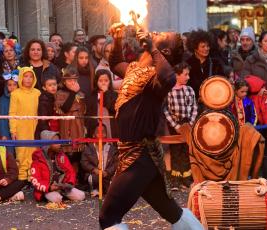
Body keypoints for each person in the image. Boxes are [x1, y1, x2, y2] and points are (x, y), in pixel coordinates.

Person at [99, 25, 203, 230]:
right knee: (170, 210)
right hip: (139, 156)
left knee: (108, 217)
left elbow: (168, 77)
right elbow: (115, 63)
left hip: (138, 158)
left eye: (160, 35)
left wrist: (152, 46)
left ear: (163, 51)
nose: (154, 32)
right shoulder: (136, 69)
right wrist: (118, 39)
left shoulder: (158, 77)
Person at [163, 62, 197, 190]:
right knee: (176, 151)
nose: (188, 77)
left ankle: (186, 178)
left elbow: (194, 107)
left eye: (188, 74)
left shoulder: (190, 90)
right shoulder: (169, 91)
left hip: (188, 124)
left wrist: (191, 123)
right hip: (175, 125)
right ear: (177, 75)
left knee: (186, 151)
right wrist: (175, 125)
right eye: (185, 74)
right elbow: (165, 109)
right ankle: (175, 179)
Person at [30, 130, 85, 203]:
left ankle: (61, 195)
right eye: (56, 142)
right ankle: (56, 196)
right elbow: (35, 180)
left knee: (81, 196)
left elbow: (70, 171)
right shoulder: (38, 159)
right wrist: (49, 188)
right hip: (47, 189)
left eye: (59, 141)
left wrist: (69, 183)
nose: (60, 144)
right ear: (47, 144)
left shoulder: (61, 155)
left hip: (62, 187)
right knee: (57, 199)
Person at [9, 66, 41, 181]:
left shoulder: (37, 93)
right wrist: (13, 130)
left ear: (34, 79)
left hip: (33, 127)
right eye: (25, 76)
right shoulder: (15, 94)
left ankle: (32, 178)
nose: (28, 79)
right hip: (21, 128)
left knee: (33, 152)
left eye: (31, 77)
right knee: (21, 152)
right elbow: (12, 113)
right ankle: (22, 178)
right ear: (21, 78)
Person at [55, 65, 86, 182]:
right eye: (69, 80)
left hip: (78, 126)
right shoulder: (60, 93)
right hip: (67, 126)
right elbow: (64, 108)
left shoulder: (80, 93)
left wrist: (77, 93)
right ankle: (68, 178)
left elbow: (83, 109)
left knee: (79, 154)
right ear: (64, 81)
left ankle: (78, 179)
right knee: (68, 153)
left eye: (74, 80)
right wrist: (73, 93)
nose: (72, 83)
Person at [186, 29, 224, 101]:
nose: (206, 49)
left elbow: (222, 82)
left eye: (208, 46)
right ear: (195, 48)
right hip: (194, 103)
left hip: (213, 101)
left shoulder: (216, 63)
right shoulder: (188, 64)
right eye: (203, 46)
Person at [81, 124, 117, 196]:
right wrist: (94, 170)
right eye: (98, 132)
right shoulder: (88, 148)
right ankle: (95, 189)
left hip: (108, 175)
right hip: (95, 174)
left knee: (114, 181)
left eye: (103, 132)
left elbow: (116, 163)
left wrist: (107, 172)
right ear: (93, 135)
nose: (101, 134)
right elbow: (84, 162)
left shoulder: (112, 149)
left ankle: (106, 189)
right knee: (93, 178)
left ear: (106, 134)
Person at [0, 128, 25, 206]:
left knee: (21, 182)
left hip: (1, 185)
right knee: (19, 194)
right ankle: (8, 196)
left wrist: (7, 180)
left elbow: (13, 170)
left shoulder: (4, 151)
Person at [86, 69, 118, 139]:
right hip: (96, 126)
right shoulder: (91, 96)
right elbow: (88, 114)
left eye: (106, 81)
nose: (103, 83)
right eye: (100, 81)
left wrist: (106, 92)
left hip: (111, 125)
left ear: (110, 82)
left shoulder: (114, 95)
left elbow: (113, 108)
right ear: (96, 82)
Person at [0, 70, 19, 154]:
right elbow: (2, 119)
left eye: (14, 84)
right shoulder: (3, 99)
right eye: (9, 85)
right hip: (7, 129)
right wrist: (3, 134)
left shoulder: (21, 97)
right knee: (9, 153)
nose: (12, 87)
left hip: (19, 129)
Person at [35, 75, 59, 140]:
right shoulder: (43, 100)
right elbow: (43, 120)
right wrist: (49, 132)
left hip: (57, 128)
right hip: (47, 130)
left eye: (54, 84)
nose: (53, 87)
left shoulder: (58, 97)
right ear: (44, 88)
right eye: (50, 85)